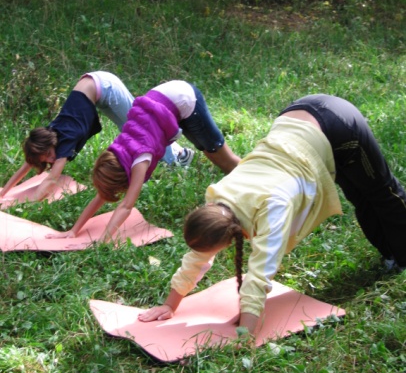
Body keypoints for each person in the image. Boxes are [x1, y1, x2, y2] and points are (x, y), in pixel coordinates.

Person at [138, 94, 406, 337]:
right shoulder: (217, 200)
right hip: (298, 119)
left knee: (384, 193)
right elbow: (198, 255)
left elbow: (259, 274)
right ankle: (392, 256)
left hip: (338, 124)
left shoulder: (271, 207)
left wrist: (245, 332)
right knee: (359, 194)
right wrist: (169, 305)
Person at [46, 80, 241, 242]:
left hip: (186, 99)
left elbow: (126, 206)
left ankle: (256, 180)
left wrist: (103, 240)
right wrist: (74, 230)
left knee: (223, 159)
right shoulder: (118, 153)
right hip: (164, 99)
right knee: (207, 149)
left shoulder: (140, 159)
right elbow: (102, 194)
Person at [0, 71, 193, 202]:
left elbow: (51, 179)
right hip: (96, 87)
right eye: (46, 159)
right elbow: (28, 162)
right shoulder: (47, 136)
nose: (51, 159)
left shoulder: (64, 141)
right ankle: (177, 153)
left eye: (50, 154)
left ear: (51, 145)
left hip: (107, 87)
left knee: (144, 127)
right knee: (127, 126)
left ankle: (178, 159)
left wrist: (29, 204)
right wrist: (4, 192)